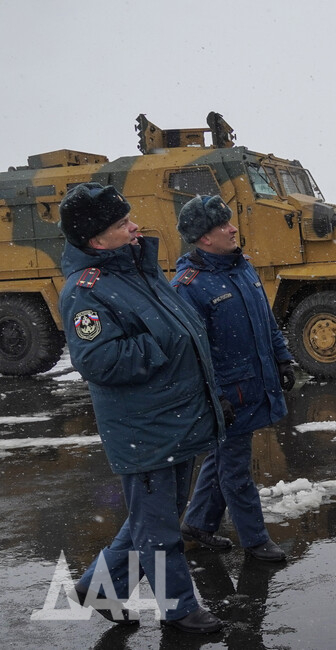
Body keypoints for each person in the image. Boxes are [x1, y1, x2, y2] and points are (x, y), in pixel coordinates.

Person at [58, 182, 231, 634]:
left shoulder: (137, 270)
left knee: (153, 517)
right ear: (97, 240)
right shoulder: (87, 290)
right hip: (146, 428)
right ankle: (178, 610)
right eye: (121, 224)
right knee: (158, 529)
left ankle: (97, 585)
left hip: (173, 417)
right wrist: (160, 346)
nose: (134, 226)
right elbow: (96, 359)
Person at [172, 195, 295, 563]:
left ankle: (198, 525)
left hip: (254, 383)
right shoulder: (187, 286)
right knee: (236, 469)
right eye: (222, 225)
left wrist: (283, 358)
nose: (232, 228)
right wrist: (216, 397)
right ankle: (255, 541)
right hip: (227, 394)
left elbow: (266, 320)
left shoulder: (242, 267)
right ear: (204, 239)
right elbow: (192, 355)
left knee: (224, 458)